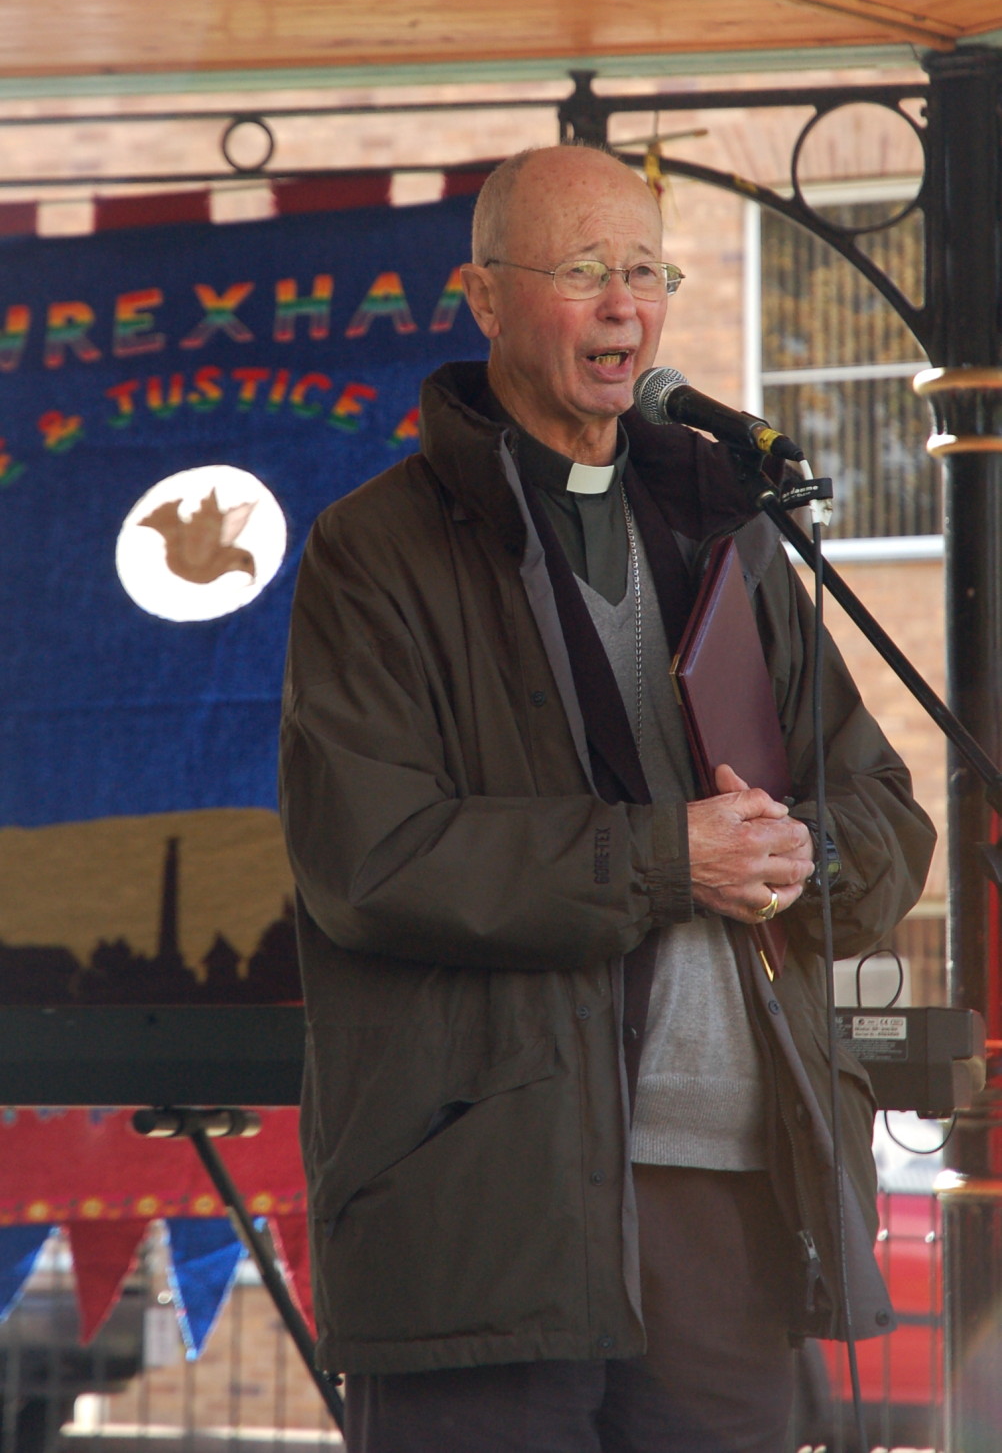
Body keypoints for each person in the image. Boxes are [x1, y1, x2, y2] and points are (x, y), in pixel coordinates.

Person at [279, 144, 935, 1453]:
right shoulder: (379, 548)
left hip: (733, 1190)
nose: (625, 305)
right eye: (584, 271)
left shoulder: (726, 527)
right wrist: (664, 860)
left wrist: (799, 853)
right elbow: (373, 858)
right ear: (483, 295)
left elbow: (883, 811)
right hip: (486, 1195)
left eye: (646, 271)